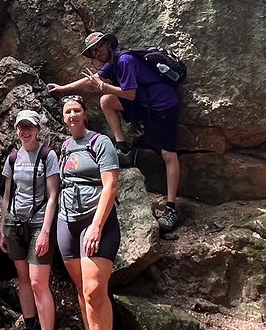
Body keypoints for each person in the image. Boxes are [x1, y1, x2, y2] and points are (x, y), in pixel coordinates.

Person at [47, 31, 182, 233]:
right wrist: (63, 88)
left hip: (162, 105)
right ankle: (123, 147)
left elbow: (129, 93)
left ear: (108, 44)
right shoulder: (113, 63)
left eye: (99, 47)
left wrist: (103, 86)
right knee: (106, 101)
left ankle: (171, 208)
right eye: (93, 51)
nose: (97, 52)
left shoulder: (125, 60)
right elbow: (90, 80)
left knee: (168, 154)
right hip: (144, 104)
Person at [56, 95, 120, 330]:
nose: (72, 115)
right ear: (64, 117)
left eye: (77, 110)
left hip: (98, 223)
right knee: (82, 292)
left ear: (85, 114)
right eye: (67, 111)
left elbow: (110, 185)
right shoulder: (65, 147)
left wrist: (95, 226)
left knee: (95, 291)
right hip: (67, 224)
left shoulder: (100, 142)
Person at [0, 109, 60, 330]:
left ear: (38, 129)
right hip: (15, 222)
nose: (25, 131)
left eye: (30, 127)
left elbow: (53, 194)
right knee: (23, 279)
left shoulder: (48, 155)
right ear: (16, 129)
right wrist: (2, 227)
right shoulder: (13, 157)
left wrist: (46, 231)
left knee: (37, 281)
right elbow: (6, 194)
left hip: (38, 224)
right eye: (21, 127)